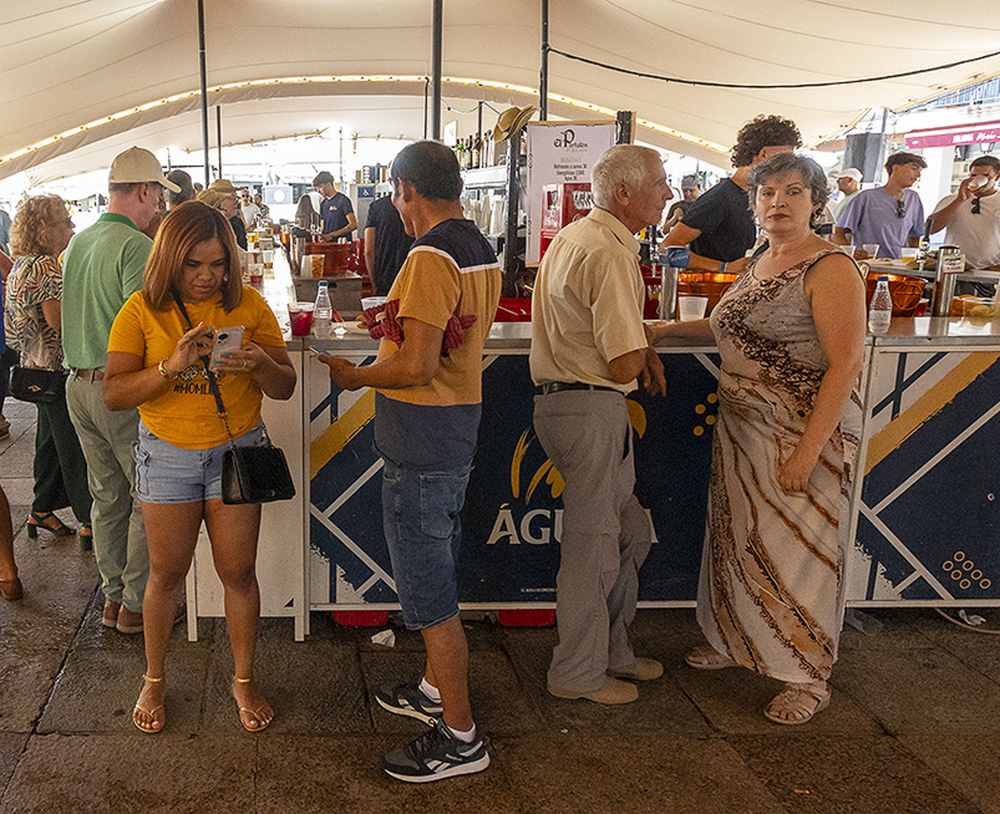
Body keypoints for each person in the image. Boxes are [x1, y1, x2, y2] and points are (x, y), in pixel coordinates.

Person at [648, 153, 865, 725]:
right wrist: (668, 327)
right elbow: (726, 324)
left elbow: (845, 365)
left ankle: (806, 675)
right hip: (743, 431)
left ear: (816, 202)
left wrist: (808, 450)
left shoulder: (831, 267)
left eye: (794, 192)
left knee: (799, 555)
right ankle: (738, 640)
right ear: (753, 204)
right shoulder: (758, 260)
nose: (778, 202)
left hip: (800, 433)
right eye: (767, 193)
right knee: (739, 540)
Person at [317, 141, 501, 782]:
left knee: (428, 593)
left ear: (403, 191)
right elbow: (445, 346)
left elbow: (418, 365)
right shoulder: (477, 246)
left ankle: (461, 736)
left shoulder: (428, 256)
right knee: (439, 560)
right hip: (455, 426)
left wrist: (355, 376)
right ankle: (431, 691)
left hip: (422, 436)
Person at [103, 201, 296, 734]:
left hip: (236, 454)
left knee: (238, 573)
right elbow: (115, 393)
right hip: (166, 456)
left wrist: (260, 363)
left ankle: (242, 678)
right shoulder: (141, 310)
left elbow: (286, 386)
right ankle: (155, 677)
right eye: (194, 264)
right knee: (166, 576)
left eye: (218, 264)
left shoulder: (250, 304)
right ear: (170, 260)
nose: (208, 276)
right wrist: (170, 367)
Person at [531, 144, 668, 705]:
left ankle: (612, 652)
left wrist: (641, 341)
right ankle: (577, 673)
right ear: (625, 193)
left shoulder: (579, 235)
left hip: (570, 405)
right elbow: (620, 362)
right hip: (590, 407)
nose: (668, 193)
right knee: (592, 547)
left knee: (629, 531)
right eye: (660, 183)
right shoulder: (610, 254)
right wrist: (652, 341)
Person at [62, 146, 180, 635]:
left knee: (105, 495)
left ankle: (111, 598)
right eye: (158, 199)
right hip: (120, 390)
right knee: (141, 496)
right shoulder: (136, 248)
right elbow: (146, 323)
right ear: (145, 191)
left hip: (77, 386)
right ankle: (135, 605)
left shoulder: (79, 243)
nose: (159, 210)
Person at [6, 195, 93, 547]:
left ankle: (41, 509)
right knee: (73, 445)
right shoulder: (46, 267)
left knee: (49, 443)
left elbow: (14, 328)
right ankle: (89, 520)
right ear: (46, 230)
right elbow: (59, 324)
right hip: (55, 369)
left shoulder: (19, 265)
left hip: (32, 368)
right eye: (66, 223)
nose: (72, 229)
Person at [661, 115, 802, 274]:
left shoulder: (751, 196)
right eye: (785, 159)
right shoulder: (719, 198)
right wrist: (724, 267)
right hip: (712, 293)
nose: (788, 167)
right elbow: (667, 249)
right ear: (764, 154)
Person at [834, 151, 927, 258]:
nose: (918, 175)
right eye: (914, 168)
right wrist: (851, 254)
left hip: (900, 267)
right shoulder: (866, 198)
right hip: (870, 265)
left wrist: (912, 261)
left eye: (920, 171)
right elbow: (838, 232)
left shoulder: (913, 198)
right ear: (896, 168)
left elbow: (914, 236)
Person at [929, 155, 1000, 270]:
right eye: (974, 175)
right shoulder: (951, 200)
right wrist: (959, 200)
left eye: (986, 175)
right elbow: (930, 229)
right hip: (952, 268)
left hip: (989, 272)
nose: (978, 179)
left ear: (997, 177)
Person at [364, 192, 414, 296]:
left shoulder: (376, 207)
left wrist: (374, 283)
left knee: (385, 312)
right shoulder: (419, 205)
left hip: (384, 280)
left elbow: (369, 251)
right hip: (412, 278)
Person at [313, 171, 357, 242]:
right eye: (316, 188)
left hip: (342, 245)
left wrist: (332, 235)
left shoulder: (343, 200)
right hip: (327, 246)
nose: (318, 191)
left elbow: (353, 225)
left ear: (329, 184)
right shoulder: (323, 204)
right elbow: (322, 225)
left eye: (320, 187)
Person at [208, 179, 247, 249]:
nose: (236, 203)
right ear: (219, 202)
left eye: (236, 198)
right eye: (232, 198)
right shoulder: (208, 226)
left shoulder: (236, 223)